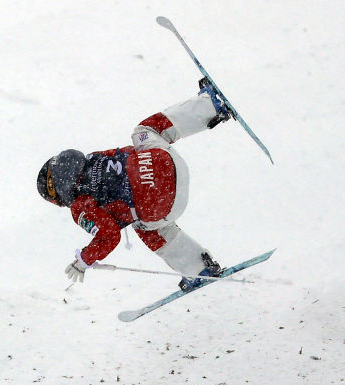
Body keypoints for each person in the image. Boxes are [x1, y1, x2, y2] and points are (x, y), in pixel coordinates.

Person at [37, 78, 233, 291]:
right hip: (169, 163)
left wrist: (84, 260)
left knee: (146, 228)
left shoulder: (79, 206)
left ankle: (199, 269)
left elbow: (109, 236)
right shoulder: (92, 158)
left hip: (166, 203)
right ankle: (209, 106)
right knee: (145, 130)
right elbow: (128, 152)